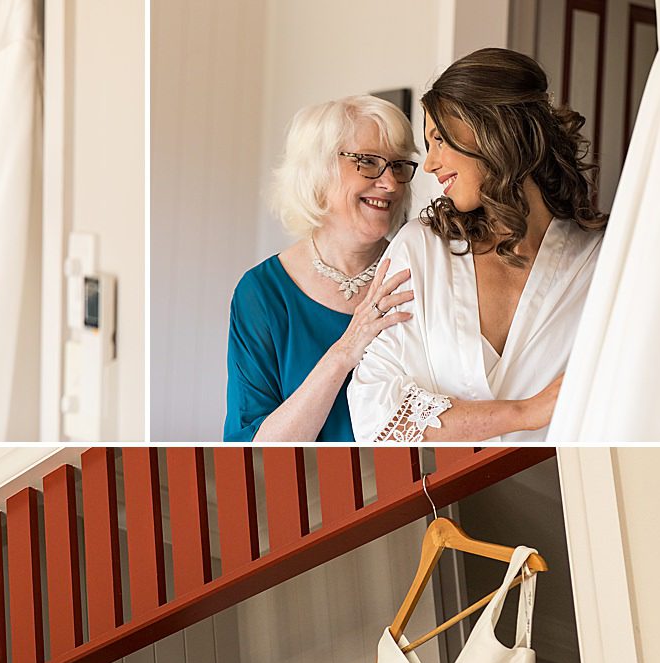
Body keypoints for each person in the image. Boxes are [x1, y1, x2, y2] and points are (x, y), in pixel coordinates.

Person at [348, 48, 605, 444]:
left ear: (495, 130)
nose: (430, 164)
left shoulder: (600, 261)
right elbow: (374, 415)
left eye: (439, 139)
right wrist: (526, 412)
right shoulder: (420, 251)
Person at [226, 96, 419, 442]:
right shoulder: (262, 294)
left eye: (398, 165)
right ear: (318, 171)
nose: (391, 183)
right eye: (368, 162)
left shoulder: (420, 275)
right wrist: (345, 351)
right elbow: (255, 448)